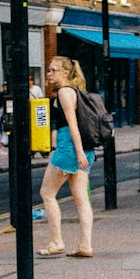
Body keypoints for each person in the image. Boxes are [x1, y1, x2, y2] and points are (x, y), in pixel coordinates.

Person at [37, 55, 95, 258]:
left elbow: (73, 125)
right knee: (81, 199)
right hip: (81, 149)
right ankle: (85, 245)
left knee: (47, 193)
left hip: (69, 149)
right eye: (49, 70)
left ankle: (56, 242)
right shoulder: (76, 92)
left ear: (64, 73)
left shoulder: (64, 92)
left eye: (53, 70)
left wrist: (78, 153)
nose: (49, 73)